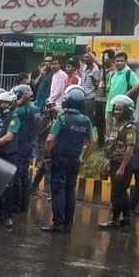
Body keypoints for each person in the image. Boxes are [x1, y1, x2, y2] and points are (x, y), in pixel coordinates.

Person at [42, 87, 95, 233]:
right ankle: (68, 224)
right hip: (74, 160)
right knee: (70, 190)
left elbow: (49, 140)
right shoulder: (86, 121)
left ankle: (58, 223)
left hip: (59, 159)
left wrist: (46, 157)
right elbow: (93, 142)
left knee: (58, 191)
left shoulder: (63, 119)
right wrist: (84, 158)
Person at [100, 94, 137, 229]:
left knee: (117, 191)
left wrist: (122, 167)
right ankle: (126, 217)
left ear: (127, 110)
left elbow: (130, 148)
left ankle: (114, 219)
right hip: (114, 162)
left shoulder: (129, 128)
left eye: (120, 110)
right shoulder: (116, 126)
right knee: (121, 191)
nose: (116, 112)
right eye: (115, 109)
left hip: (123, 164)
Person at [0, 91, 21, 227]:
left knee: (8, 186)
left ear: (11, 104)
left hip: (9, 155)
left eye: (6, 103)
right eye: (1, 103)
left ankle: (8, 216)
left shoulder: (14, 117)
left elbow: (9, 137)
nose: (3, 105)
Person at [12, 84, 39, 212]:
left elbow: (11, 112)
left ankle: (16, 205)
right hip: (29, 142)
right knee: (24, 175)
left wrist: (18, 103)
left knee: (17, 174)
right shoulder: (35, 108)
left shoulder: (22, 110)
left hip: (21, 143)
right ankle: (24, 205)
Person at [105, 52, 139, 136]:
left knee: (119, 131)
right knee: (109, 130)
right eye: (117, 61)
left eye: (121, 61)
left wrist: (126, 95)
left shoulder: (128, 73)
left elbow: (138, 84)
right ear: (114, 61)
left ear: (125, 62)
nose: (119, 63)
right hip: (109, 107)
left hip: (121, 109)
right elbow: (109, 88)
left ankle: (119, 148)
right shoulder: (112, 74)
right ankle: (110, 147)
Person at [31, 101, 60, 196]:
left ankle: (32, 188)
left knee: (43, 170)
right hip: (41, 146)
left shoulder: (56, 120)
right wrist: (48, 127)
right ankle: (51, 193)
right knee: (47, 170)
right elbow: (38, 133)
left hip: (49, 147)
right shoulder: (43, 119)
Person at [79, 51, 101, 125]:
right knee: (81, 118)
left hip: (91, 98)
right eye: (84, 57)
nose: (85, 59)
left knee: (88, 119)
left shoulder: (96, 69)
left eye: (87, 57)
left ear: (92, 58)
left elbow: (98, 86)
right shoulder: (84, 68)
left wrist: (94, 79)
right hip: (82, 97)